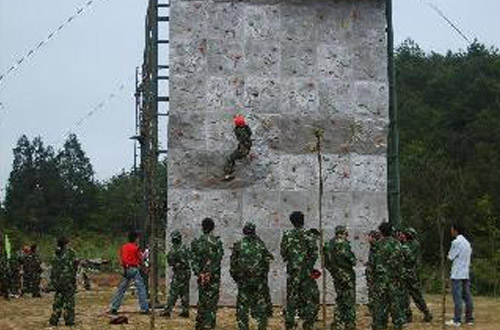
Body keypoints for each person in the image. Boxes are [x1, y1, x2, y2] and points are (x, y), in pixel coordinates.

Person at [280, 211, 320, 330]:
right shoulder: (309, 235)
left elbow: (283, 253)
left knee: (292, 299)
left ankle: (290, 324)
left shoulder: (287, 235)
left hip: (292, 272)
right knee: (309, 299)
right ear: (303, 220)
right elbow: (314, 254)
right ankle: (308, 325)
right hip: (306, 273)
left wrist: (293, 262)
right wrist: (308, 266)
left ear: (291, 222)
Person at [230, 222, 273, 330]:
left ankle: (243, 327)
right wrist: (263, 277)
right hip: (258, 281)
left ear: (244, 231)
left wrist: (237, 279)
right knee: (260, 305)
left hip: (243, 280)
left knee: (242, 306)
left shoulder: (238, 244)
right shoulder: (260, 245)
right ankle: (262, 327)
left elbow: (233, 265)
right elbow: (268, 261)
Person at [191, 218, 224, 330]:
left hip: (201, 277)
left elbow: (193, 260)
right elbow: (218, 259)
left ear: (202, 227)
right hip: (213, 278)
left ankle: (199, 324)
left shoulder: (196, 242)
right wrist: (209, 273)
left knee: (202, 299)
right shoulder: (217, 242)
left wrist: (200, 274)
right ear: (213, 228)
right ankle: (209, 325)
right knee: (212, 302)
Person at [371, 223, 404, 330]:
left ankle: (380, 324)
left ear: (381, 232)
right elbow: (400, 263)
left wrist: (371, 278)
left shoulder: (377, 245)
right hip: (393, 278)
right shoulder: (397, 244)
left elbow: (372, 263)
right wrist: (399, 276)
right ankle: (398, 323)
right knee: (394, 301)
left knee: (380, 302)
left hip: (380, 279)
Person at [324, 226, 356, 330]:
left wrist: (334, 271)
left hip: (336, 276)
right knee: (349, 300)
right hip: (347, 276)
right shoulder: (344, 244)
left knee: (340, 298)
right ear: (342, 233)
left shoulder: (328, 244)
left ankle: (337, 323)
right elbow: (352, 260)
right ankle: (349, 323)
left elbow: (326, 263)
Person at [109, 231, 149, 315]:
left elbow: (121, 258)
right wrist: (145, 266)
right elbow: (141, 259)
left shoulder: (123, 247)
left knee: (121, 289)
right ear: (135, 239)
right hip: (134, 269)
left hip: (126, 269)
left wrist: (123, 268)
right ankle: (144, 308)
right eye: (137, 238)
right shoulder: (136, 248)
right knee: (141, 288)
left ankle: (114, 307)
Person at [400, 228, 432, 323]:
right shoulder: (412, 244)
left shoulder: (410, 245)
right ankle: (411, 315)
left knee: (413, 295)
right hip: (410, 273)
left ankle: (423, 313)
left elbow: (408, 258)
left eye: (405, 234)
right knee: (409, 295)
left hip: (409, 273)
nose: (403, 236)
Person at [446, 222, 474, 327]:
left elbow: (450, 257)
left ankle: (457, 320)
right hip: (465, 273)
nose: (451, 231)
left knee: (457, 297)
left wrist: (447, 256)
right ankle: (469, 319)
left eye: (452, 229)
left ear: (456, 230)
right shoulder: (467, 243)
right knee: (467, 296)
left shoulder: (456, 242)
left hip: (457, 274)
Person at [49, 237, 78, 326]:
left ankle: (54, 319)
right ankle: (69, 320)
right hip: (68, 280)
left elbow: (53, 268)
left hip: (57, 281)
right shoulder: (70, 253)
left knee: (58, 301)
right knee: (69, 302)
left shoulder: (55, 254)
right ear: (66, 244)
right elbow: (75, 264)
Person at [161, 230, 191, 318]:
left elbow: (170, 262)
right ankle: (185, 310)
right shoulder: (184, 248)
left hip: (179, 273)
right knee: (184, 292)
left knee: (173, 292)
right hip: (186, 272)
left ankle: (167, 310)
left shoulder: (173, 250)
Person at [223, 114, 252, 181]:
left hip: (243, 149)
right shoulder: (246, 128)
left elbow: (243, 139)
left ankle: (228, 175)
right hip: (245, 148)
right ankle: (229, 174)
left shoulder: (240, 131)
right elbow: (249, 134)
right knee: (233, 157)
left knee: (230, 158)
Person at [366, 230, 381, 319]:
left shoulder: (376, 246)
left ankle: (375, 310)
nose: (367, 238)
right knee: (371, 291)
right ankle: (372, 309)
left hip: (375, 273)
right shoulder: (372, 247)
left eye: (369, 236)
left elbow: (377, 260)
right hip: (371, 272)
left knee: (375, 292)